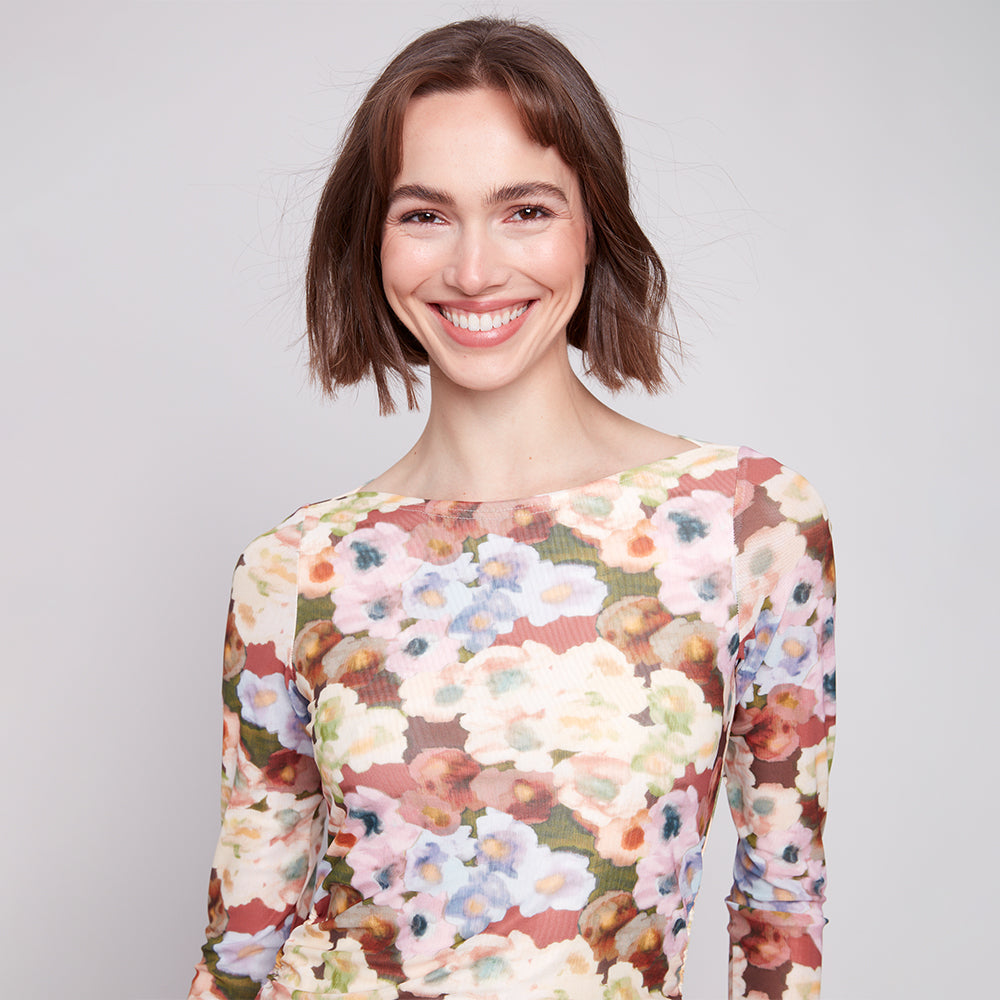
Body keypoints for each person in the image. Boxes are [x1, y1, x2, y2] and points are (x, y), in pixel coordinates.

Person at [187, 17, 835, 1000]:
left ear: (592, 225)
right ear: (371, 242)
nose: (475, 270)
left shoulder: (747, 523)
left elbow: (782, 912)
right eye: (425, 215)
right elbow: (241, 942)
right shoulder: (292, 568)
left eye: (525, 210)